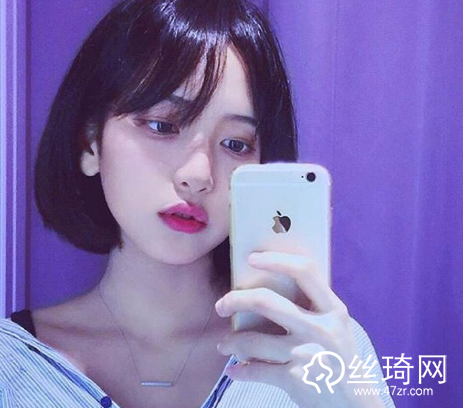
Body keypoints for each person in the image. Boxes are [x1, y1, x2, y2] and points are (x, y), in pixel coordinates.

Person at [0, 1, 396, 407]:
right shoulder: (10, 366)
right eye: (162, 125)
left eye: (235, 144)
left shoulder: (319, 353)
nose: (199, 174)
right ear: (90, 143)